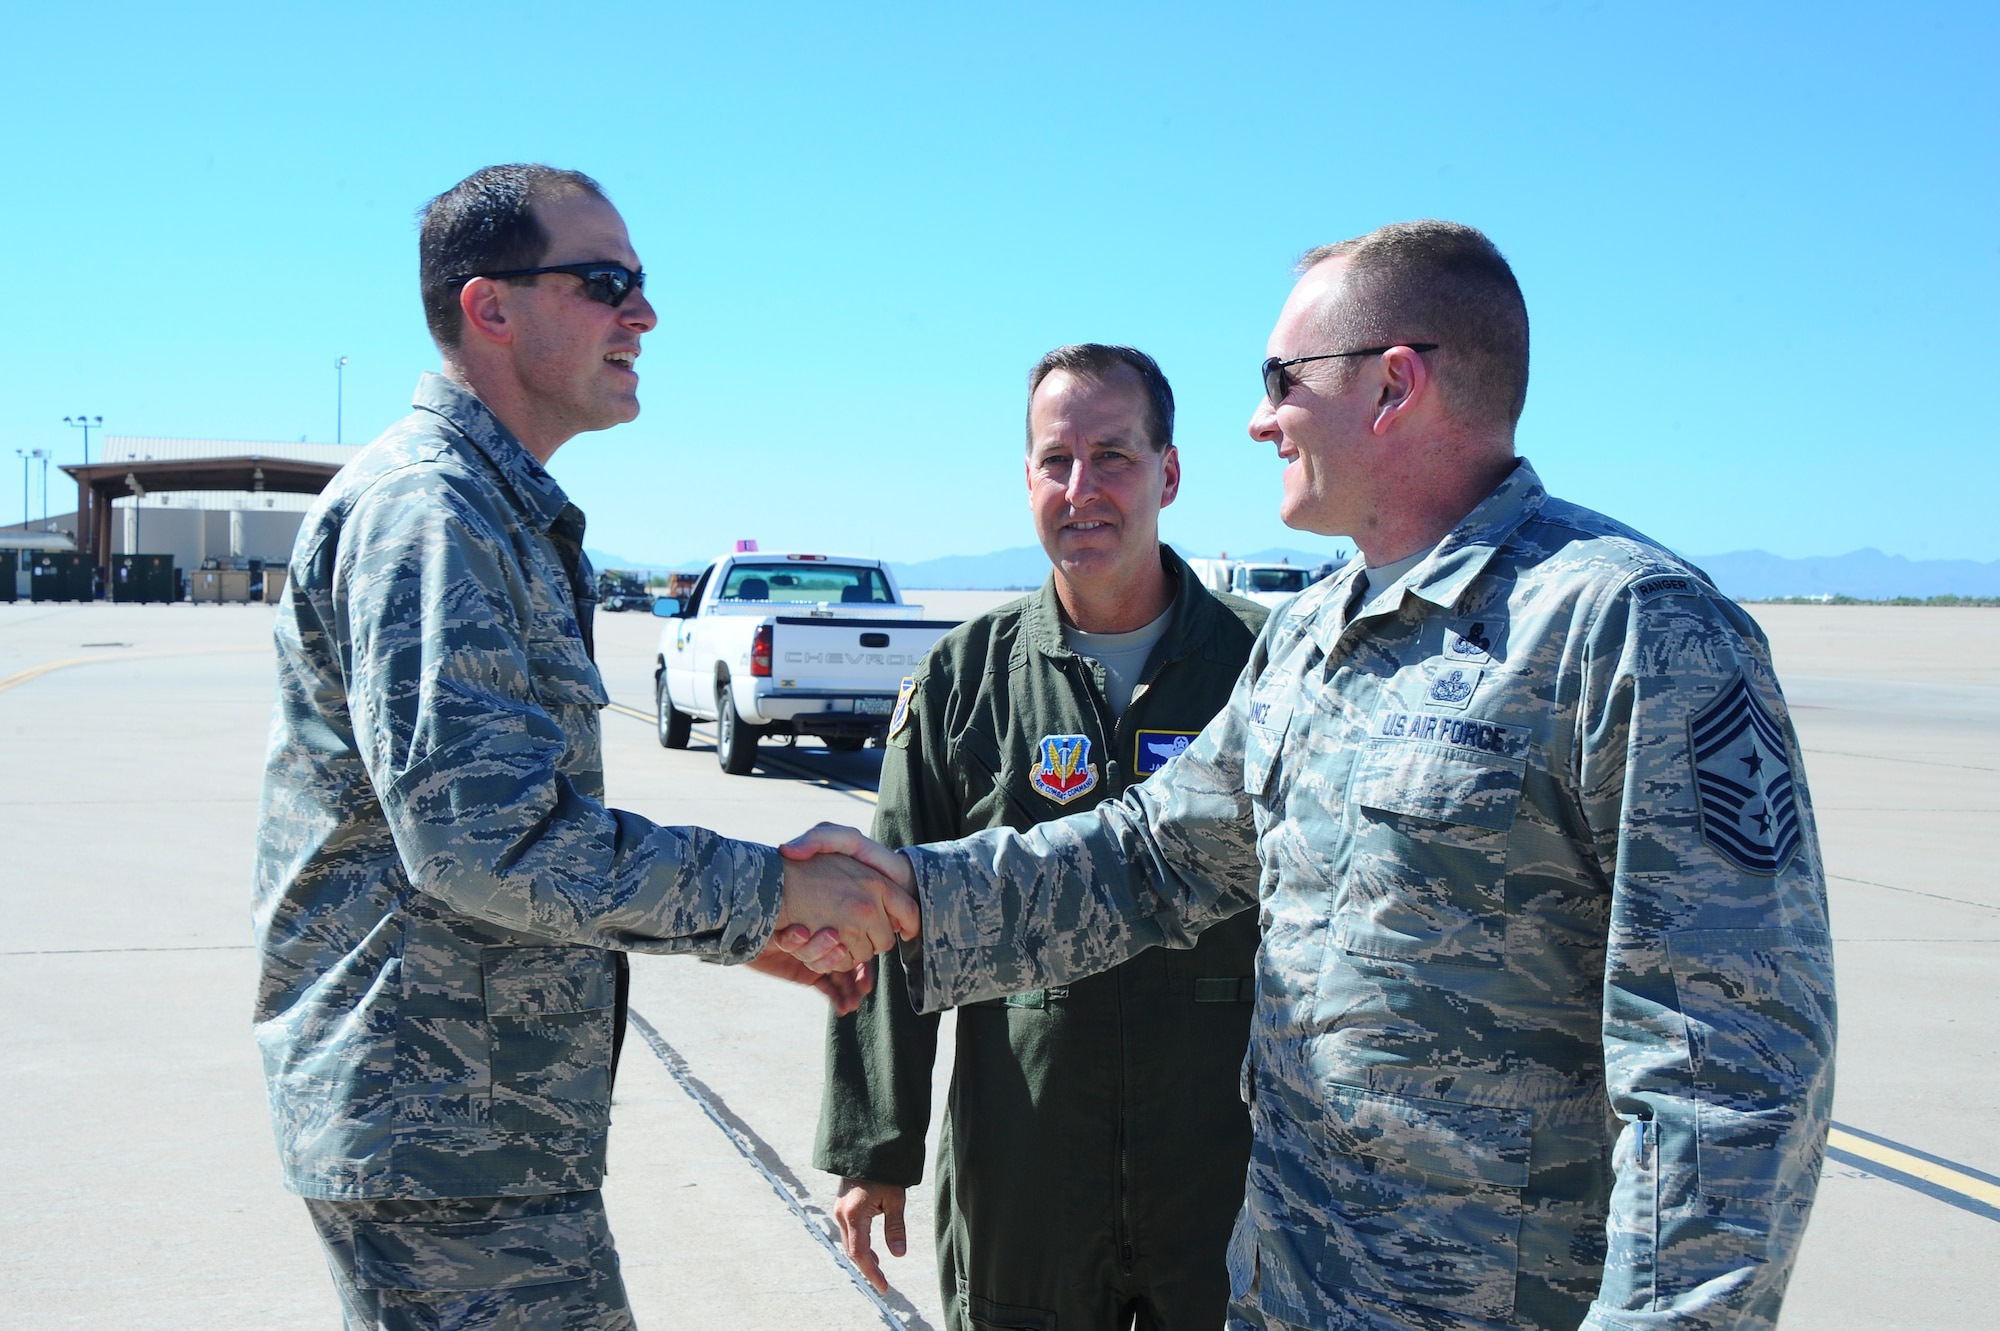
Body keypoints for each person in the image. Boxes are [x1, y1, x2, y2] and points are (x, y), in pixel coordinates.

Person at [786, 222, 1836, 1331]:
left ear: (1392, 385)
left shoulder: (1623, 630)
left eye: (1281, 379)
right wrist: (894, 893)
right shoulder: (1308, 640)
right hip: (1280, 1292)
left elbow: (1728, 1073)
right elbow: (1147, 858)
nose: (1258, 418)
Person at [251, 164, 913, 1331]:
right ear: (488, 307)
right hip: (444, 1138)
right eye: (606, 283)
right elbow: (485, 845)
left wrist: (743, 932)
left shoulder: (491, 511)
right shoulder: (434, 515)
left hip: (476, 1131)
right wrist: (767, 893)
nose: (642, 315)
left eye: (640, 285)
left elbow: (512, 841)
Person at [816, 345, 1269, 1329]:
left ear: (1169, 472)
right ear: (1025, 479)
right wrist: (875, 1146)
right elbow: (883, 919)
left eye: (1112, 455)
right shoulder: (961, 679)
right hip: (1024, 1167)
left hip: (1224, 1164)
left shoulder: (1265, 664)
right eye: (1055, 460)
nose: (1081, 488)